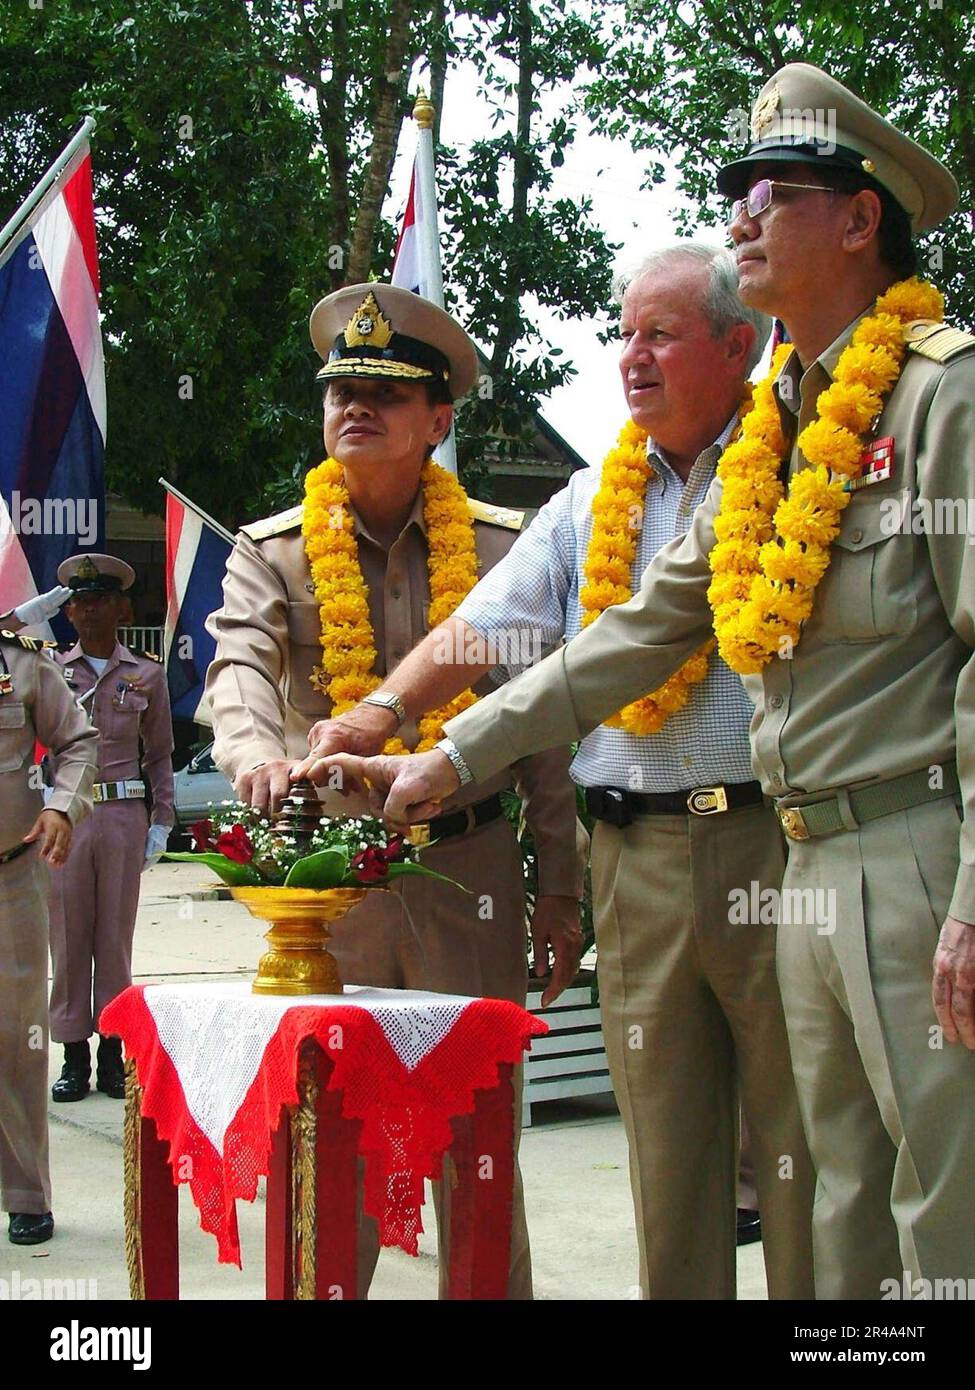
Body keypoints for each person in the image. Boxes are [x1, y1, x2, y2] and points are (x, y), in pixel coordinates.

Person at [321, 65, 975, 1300]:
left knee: (941, 1208)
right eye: (735, 190)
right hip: (808, 849)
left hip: (918, 850)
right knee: (838, 1207)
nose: (742, 212)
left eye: (773, 191)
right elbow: (623, 638)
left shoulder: (944, 393)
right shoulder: (781, 430)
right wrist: (442, 756)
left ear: (858, 219)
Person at [292, 246, 815, 1299]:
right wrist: (383, 711)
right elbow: (486, 628)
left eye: (660, 334)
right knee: (668, 1161)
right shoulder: (588, 501)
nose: (633, 357)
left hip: (775, 851)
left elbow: (626, 645)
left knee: (802, 1148)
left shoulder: (798, 469)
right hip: (635, 858)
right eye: (625, 333)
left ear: (740, 345)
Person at [204, 283, 585, 1300]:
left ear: (439, 419)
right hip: (333, 888)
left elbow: (545, 735)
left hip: (473, 872)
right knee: (330, 1136)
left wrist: (561, 886)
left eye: (385, 390)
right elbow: (236, 668)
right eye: (341, 389)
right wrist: (252, 755)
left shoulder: (503, 549)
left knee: (479, 1140)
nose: (355, 407)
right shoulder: (273, 548)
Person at [48, 553, 175, 1103]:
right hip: (69, 818)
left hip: (124, 815)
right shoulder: (51, 670)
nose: (89, 611)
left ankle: (112, 1049)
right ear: (69, 612)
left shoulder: (145, 674)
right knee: (69, 936)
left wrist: (162, 820)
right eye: (79, 602)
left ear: (122, 609)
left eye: (100, 601)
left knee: (114, 940)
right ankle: (73, 1054)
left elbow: (162, 755)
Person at [0, 628, 97, 1244]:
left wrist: (62, 804)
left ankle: (25, 1192)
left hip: (9, 878)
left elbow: (79, 741)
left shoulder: (20, 662)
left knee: (17, 1039)